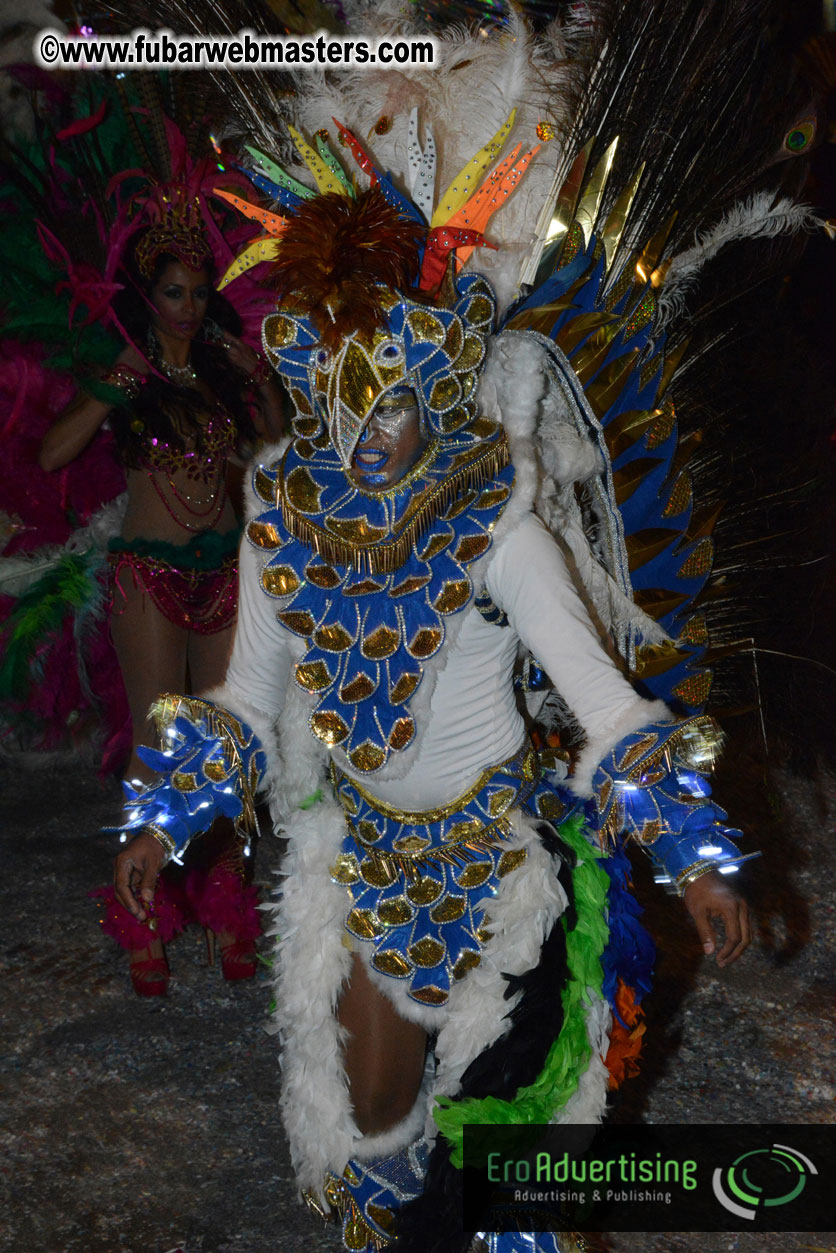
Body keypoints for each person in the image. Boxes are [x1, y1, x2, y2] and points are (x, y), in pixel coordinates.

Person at [109, 180, 752, 1251]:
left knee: (507, 1156)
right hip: (362, 855)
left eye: (390, 398)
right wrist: (160, 817)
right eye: (342, 398)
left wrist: (693, 858)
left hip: (499, 861)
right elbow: (244, 699)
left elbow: (607, 704)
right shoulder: (281, 521)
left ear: (434, 388)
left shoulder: (496, 527)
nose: (365, 428)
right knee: (372, 1115)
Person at [40, 211, 284, 995]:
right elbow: (53, 453)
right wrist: (116, 378)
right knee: (157, 745)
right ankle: (144, 912)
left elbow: (282, 451)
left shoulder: (219, 372)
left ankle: (224, 905)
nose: (186, 304)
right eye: (171, 292)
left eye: (196, 290)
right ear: (147, 297)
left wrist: (261, 379)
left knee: (226, 742)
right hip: (148, 573)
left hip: (225, 569)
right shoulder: (131, 370)